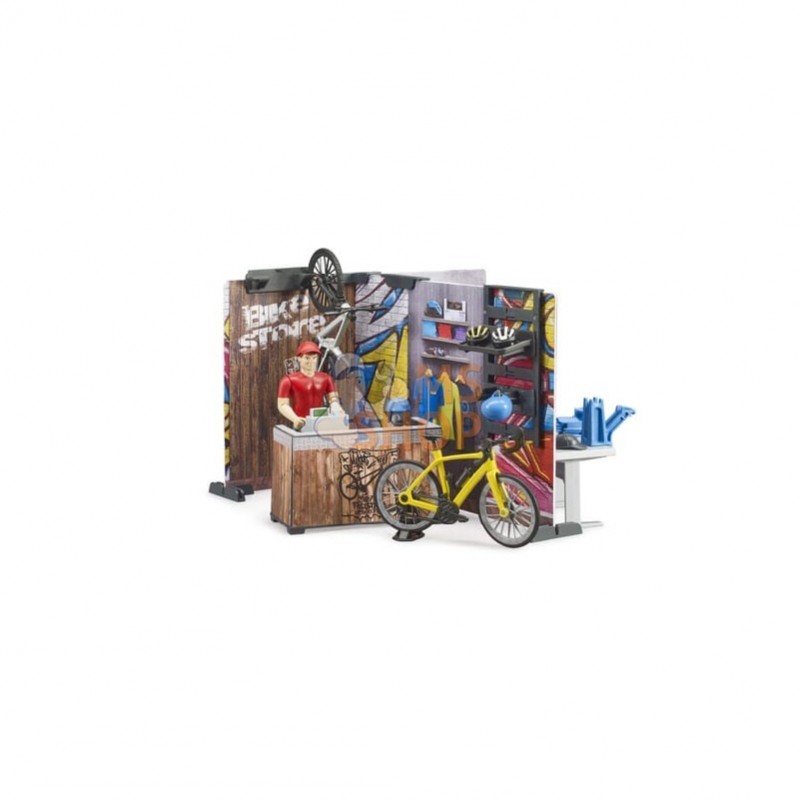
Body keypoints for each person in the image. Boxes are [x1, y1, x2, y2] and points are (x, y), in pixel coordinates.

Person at [277, 341, 344, 430]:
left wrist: (336, 407)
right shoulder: (288, 380)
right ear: (299, 358)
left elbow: (333, 398)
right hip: (302, 423)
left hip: (321, 423)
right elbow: (282, 404)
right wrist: (295, 419)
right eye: (307, 358)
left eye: (314, 358)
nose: (311, 362)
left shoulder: (326, 378)